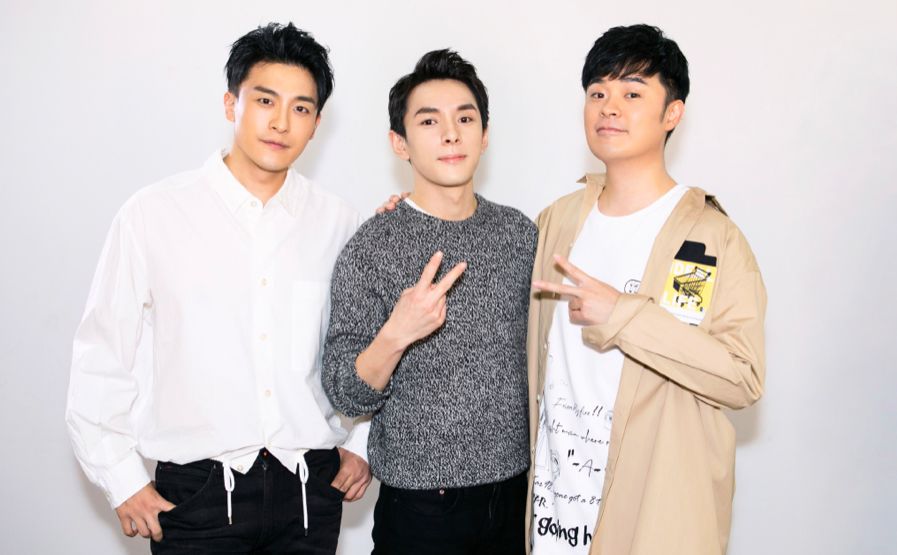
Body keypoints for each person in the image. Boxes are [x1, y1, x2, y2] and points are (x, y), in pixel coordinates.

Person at [65, 22, 371, 554]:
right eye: (265, 100)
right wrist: (121, 478)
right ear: (232, 104)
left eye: (300, 108)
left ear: (317, 124)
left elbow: (368, 347)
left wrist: (363, 443)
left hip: (308, 493)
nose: (281, 122)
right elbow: (101, 355)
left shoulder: (340, 223)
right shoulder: (153, 214)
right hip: (199, 494)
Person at [527, 24, 767, 554]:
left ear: (672, 113)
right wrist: (415, 208)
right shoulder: (556, 222)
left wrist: (623, 315)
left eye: (632, 93)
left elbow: (742, 378)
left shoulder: (710, 238)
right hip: (554, 518)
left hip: (655, 520)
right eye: (597, 93)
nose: (609, 107)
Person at [321, 49, 536, 554]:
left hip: (514, 491)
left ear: (485, 135)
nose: (451, 134)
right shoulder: (372, 246)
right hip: (420, 505)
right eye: (429, 121)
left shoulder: (520, 235)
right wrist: (396, 334)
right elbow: (345, 393)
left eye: (465, 118)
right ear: (400, 143)